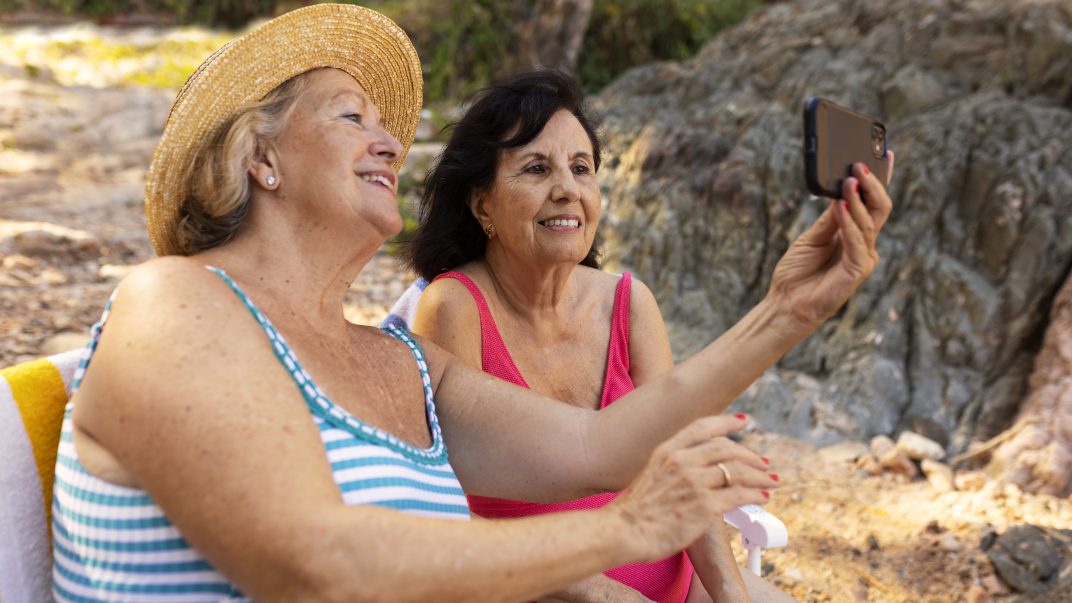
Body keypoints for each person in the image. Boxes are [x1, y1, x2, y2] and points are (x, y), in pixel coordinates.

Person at [50, 5, 883, 603]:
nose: (390, 141)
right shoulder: (175, 303)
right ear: (259, 156)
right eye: (352, 116)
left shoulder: (398, 361)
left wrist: (789, 309)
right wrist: (624, 530)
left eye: (389, 125)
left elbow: (601, 444)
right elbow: (311, 567)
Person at [400, 70, 894, 603]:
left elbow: (683, 464)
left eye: (581, 168)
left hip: (679, 586)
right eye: (536, 168)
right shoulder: (454, 309)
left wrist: (731, 594)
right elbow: (445, 511)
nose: (567, 190)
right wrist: (599, 591)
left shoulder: (628, 302)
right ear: (482, 206)